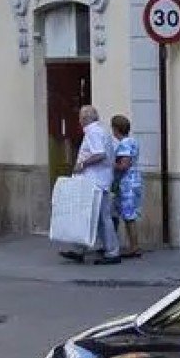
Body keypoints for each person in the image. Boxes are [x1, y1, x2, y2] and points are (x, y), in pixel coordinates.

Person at [60, 105, 121, 265]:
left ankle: (112, 252)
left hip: (96, 182)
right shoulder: (101, 131)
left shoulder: (93, 132)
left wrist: (82, 164)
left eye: (80, 117)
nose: (79, 120)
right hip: (100, 180)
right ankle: (80, 249)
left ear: (86, 118)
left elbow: (99, 154)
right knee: (90, 216)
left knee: (101, 217)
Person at [110, 114, 144, 259]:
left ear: (116, 129)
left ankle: (134, 247)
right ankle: (128, 245)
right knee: (125, 215)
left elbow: (124, 165)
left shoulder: (124, 144)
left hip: (126, 184)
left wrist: (111, 165)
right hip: (134, 181)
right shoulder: (133, 142)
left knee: (129, 217)